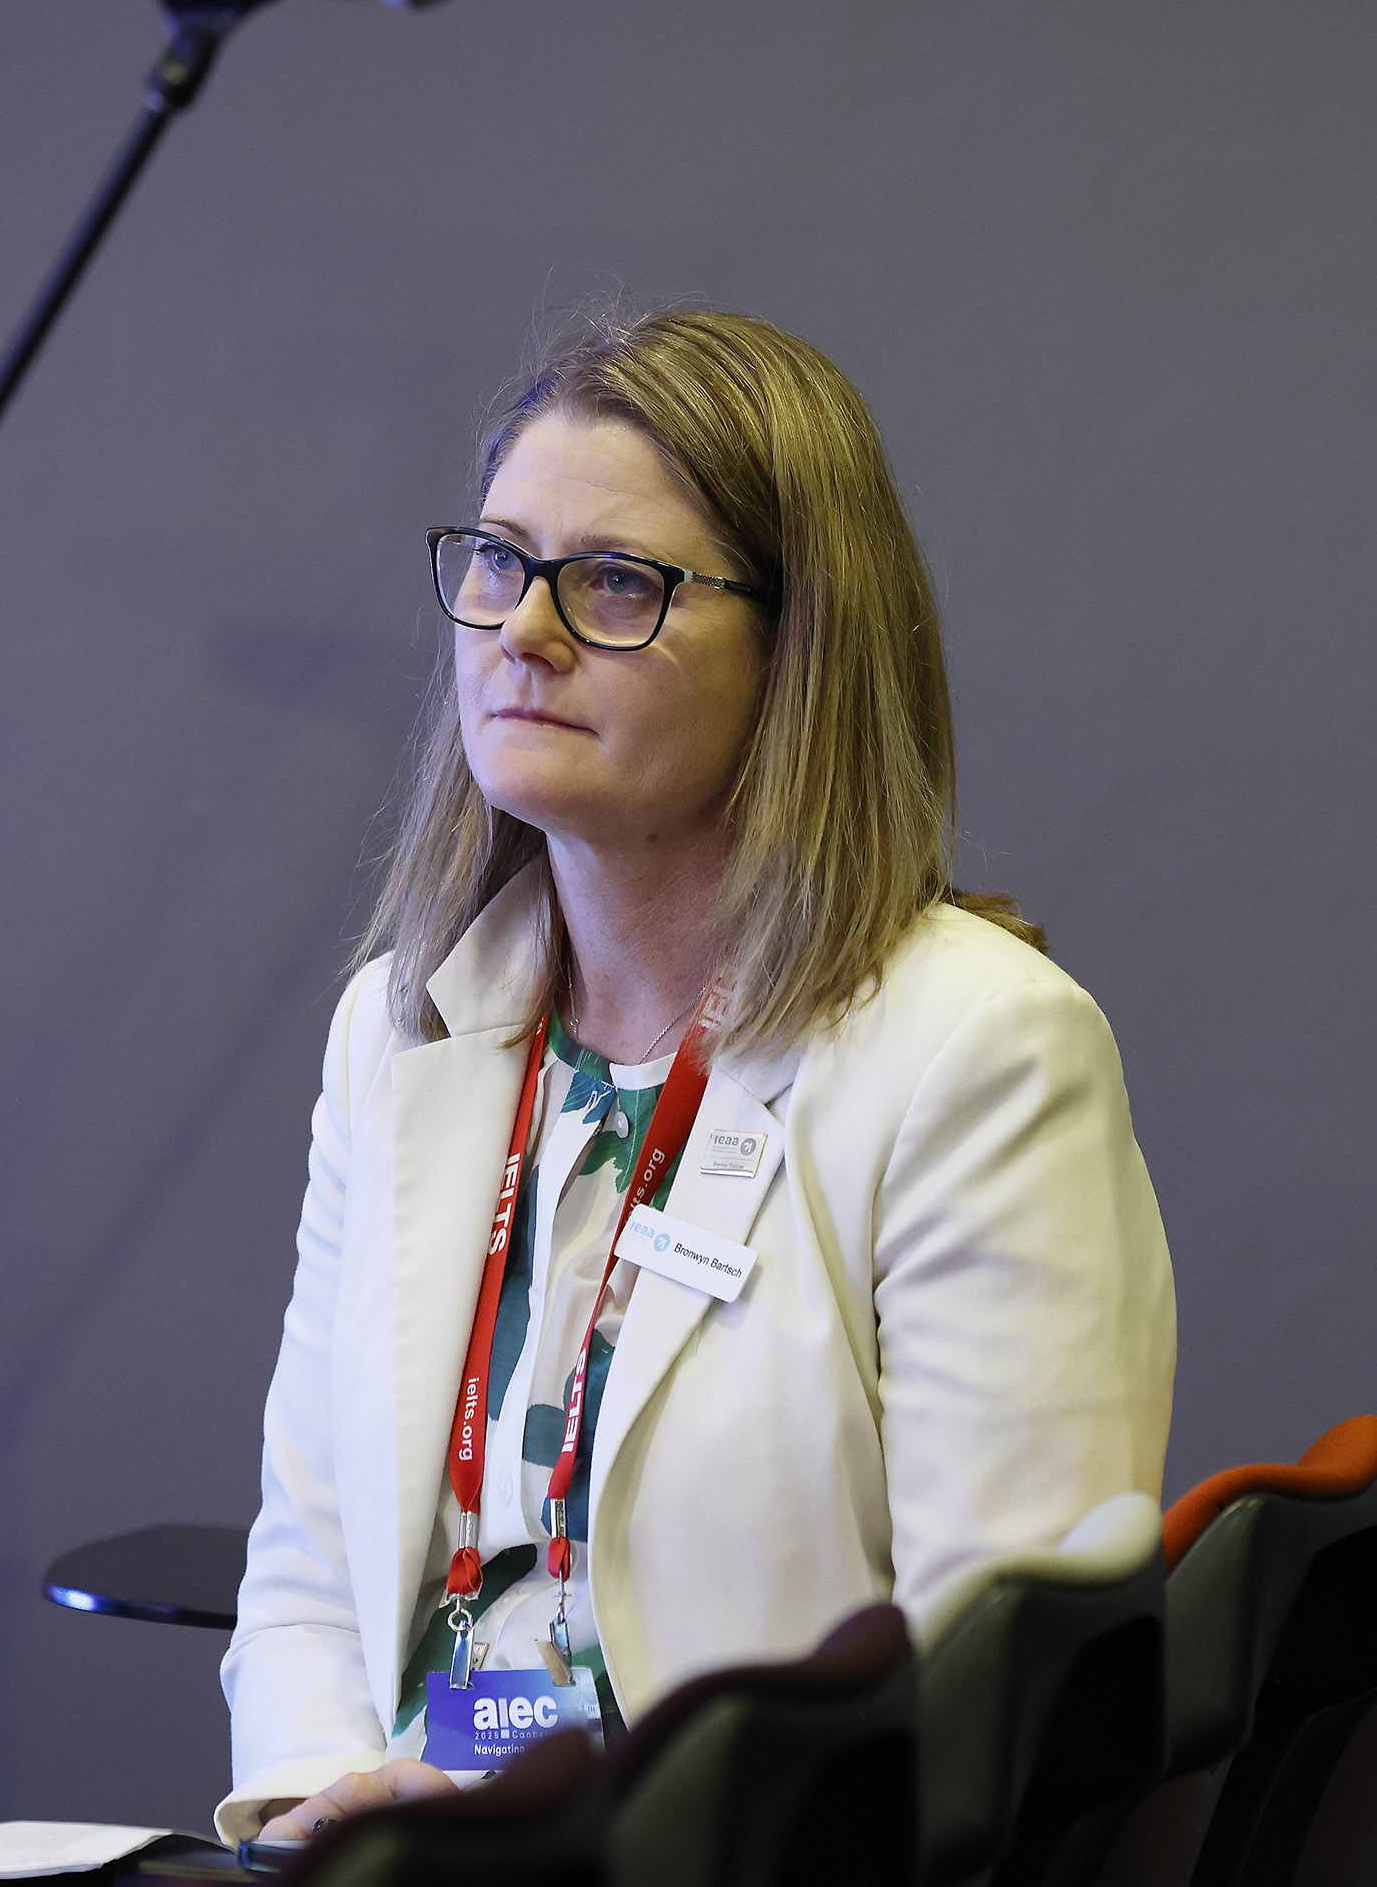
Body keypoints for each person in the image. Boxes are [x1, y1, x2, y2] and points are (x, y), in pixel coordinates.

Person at [216, 308, 1174, 1844]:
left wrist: (549, 1828)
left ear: (799, 648)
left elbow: (1000, 1696)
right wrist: (324, 1824)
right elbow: (307, 1577)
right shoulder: (393, 1035)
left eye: (612, 580)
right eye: (499, 561)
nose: (522, 631)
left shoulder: (979, 1052)